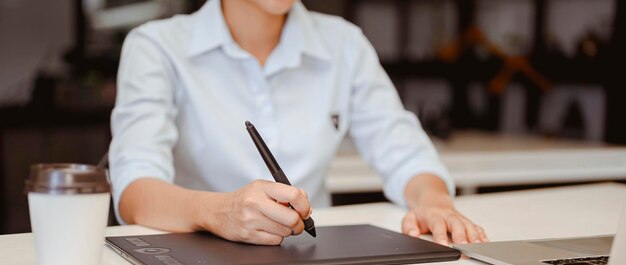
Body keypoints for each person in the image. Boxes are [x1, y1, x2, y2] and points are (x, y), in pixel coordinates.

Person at [109, 0, 488, 246]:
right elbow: (134, 189)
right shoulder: (156, 46)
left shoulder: (344, 44)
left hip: (310, 262)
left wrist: (434, 202)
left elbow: (405, 152)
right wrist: (219, 212)